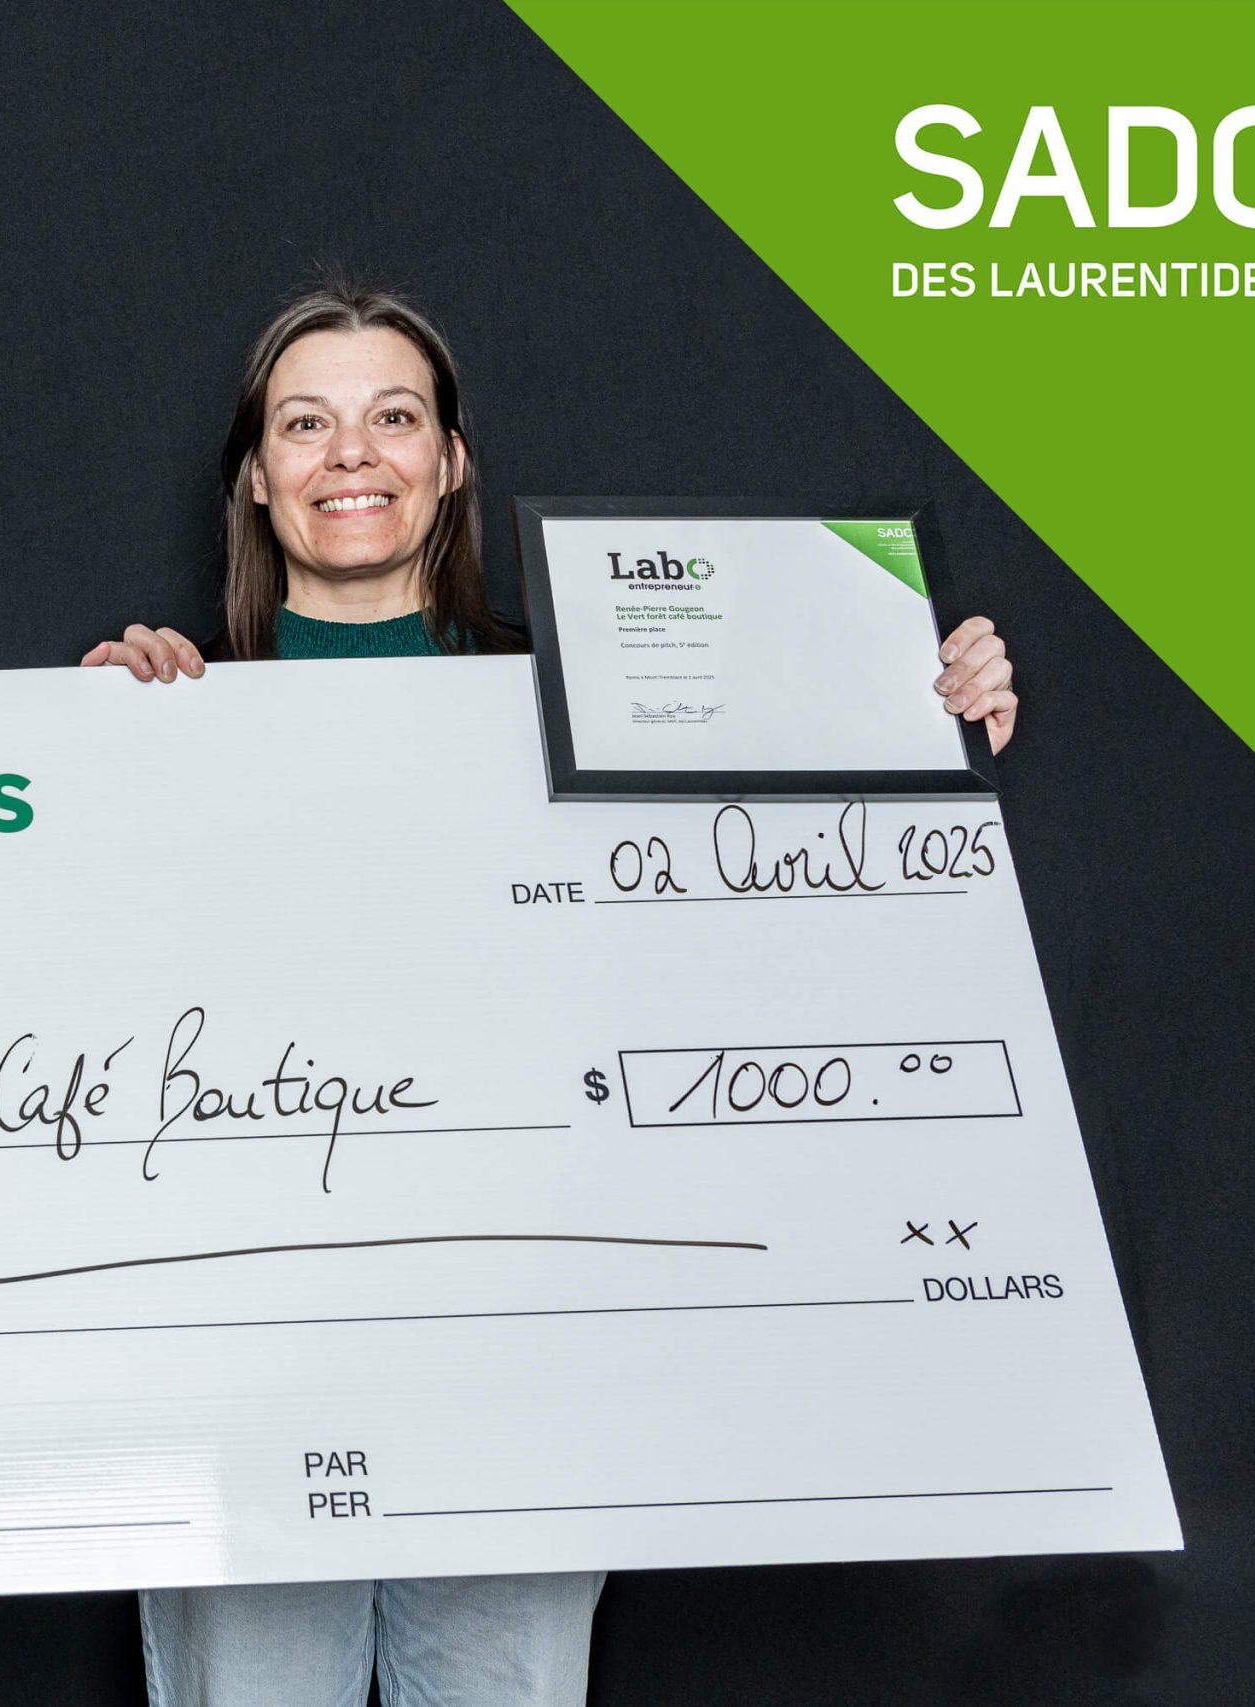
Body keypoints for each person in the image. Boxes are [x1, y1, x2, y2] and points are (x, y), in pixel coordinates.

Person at [81, 281, 1018, 1707]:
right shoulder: (157, 710)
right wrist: (79, 753)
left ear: (452, 461)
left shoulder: (604, 700)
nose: (352, 454)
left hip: (523, 1346)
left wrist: (914, 700)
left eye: (395, 417)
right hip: (255, 1352)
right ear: (257, 478)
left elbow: (773, 916)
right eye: (306, 424)